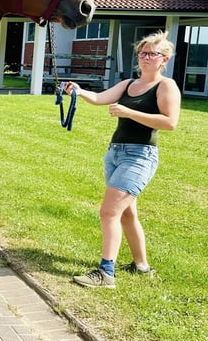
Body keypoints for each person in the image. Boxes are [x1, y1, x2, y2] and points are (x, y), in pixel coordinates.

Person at [64, 30, 181, 288]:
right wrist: (80, 91)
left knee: (108, 212)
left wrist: (128, 111)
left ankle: (106, 273)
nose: (145, 57)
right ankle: (142, 266)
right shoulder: (129, 84)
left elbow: (170, 122)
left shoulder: (166, 86)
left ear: (165, 59)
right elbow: (98, 98)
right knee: (126, 214)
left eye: (152, 53)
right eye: (142, 52)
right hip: (115, 154)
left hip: (140, 156)